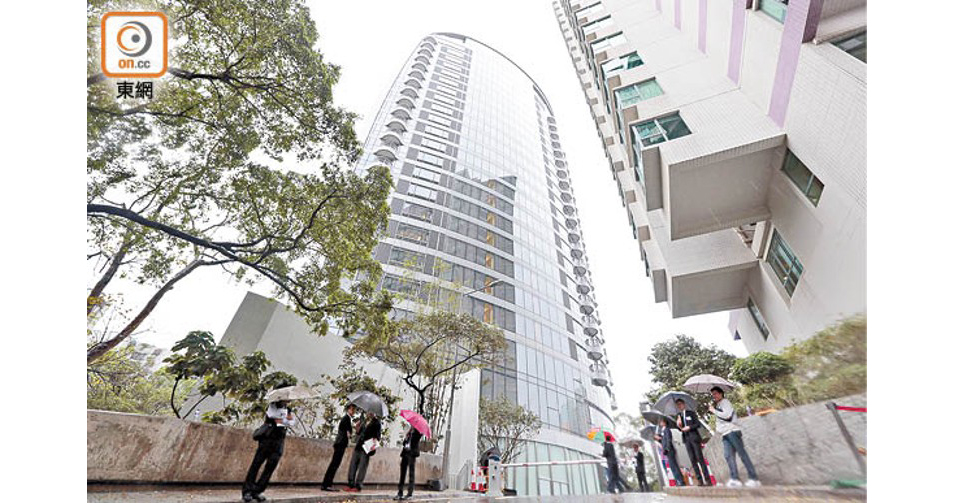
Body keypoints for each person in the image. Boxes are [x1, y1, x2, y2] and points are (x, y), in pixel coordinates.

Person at [243, 400, 296, 502]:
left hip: (279, 442)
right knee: (256, 465)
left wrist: (282, 420)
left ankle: (258, 491)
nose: (288, 400)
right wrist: (284, 420)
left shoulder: (288, 409)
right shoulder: (272, 406)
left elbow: (291, 423)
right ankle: (247, 491)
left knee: (270, 468)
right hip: (267, 440)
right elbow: (273, 416)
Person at [709, 386, 760, 488]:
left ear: (721, 393)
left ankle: (754, 478)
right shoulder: (719, 404)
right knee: (728, 456)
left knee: (742, 454)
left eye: (715, 393)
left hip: (732, 431)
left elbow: (727, 415)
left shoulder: (725, 402)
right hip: (725, 433)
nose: (714, 396)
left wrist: (714, 410)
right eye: (712, 394)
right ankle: (735, 479)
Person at [675, 398, 712, 486]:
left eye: (680, 404)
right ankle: (700, 480)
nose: (679, 406)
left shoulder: (691, 413)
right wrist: (678, 425)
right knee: (692, 460)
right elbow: (680, 429)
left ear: (684, 404)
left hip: (694, 438)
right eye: (677, 405)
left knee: (700, 459)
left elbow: (697, 424)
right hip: (686, 440)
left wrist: (689, 427)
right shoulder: (679, 416)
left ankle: (708, 479)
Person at [321, 403, 357, 491]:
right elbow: (348, 434)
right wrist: (354, 429)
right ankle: (326, 484)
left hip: (340, 443)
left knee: (334, 464)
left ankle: (326, 484)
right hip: (341, 444)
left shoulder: (346, 418)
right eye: (352, 409)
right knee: (334, 464)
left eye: (354, 410)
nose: (353, 411)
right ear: (348, 409)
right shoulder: (346, 419)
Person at [345, 411, 381, 492]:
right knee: (353, 465)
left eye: (370, 412)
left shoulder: (377, 423)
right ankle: (350, 484)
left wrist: (374, 445)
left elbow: (378, 436)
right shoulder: (364, 420)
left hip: (367, 447)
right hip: (358, 446)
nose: (368, 413)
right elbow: (358, 432)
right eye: (368, 411)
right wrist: (357, 427)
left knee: (362, 467)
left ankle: (358, 486)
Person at [394, 424, 424, 500]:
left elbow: (417, 438)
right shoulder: (409, 432)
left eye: (413, 425)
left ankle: (410, 493)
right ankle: (400, 492)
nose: (411, 425)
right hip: (405, 453)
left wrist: (414, 431)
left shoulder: (417, 432)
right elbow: (404, 443)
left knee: (411, 474)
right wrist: (407, 437)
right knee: (402, 474)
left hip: (412, 454)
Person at [654, 417, 683, 486]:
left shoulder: (667, 430)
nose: (660, 423)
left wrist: (667, 448)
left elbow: (669, 439)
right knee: (672, 466)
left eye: (661, 422)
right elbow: (663, 441)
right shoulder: (663, 431)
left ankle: (680, 481)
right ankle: (678, 480)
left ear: (664, 422)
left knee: (674, 466)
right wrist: (659, 439)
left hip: (670, 450)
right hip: (667, 451)